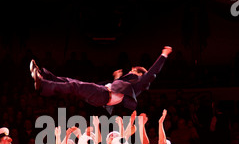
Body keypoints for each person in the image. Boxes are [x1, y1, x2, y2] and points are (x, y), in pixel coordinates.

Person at [30, 46, 173, 113]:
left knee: (73, 86)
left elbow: (152, 73)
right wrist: (117, 78)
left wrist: (163, 55)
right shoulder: (129, 84)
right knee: (71, 81)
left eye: (133, 70)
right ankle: (43, 75)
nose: (130, 71)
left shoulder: (139, 82)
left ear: (138, 74)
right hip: (102, 93)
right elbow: (119, 88)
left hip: (103, 94)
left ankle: (42, 85)